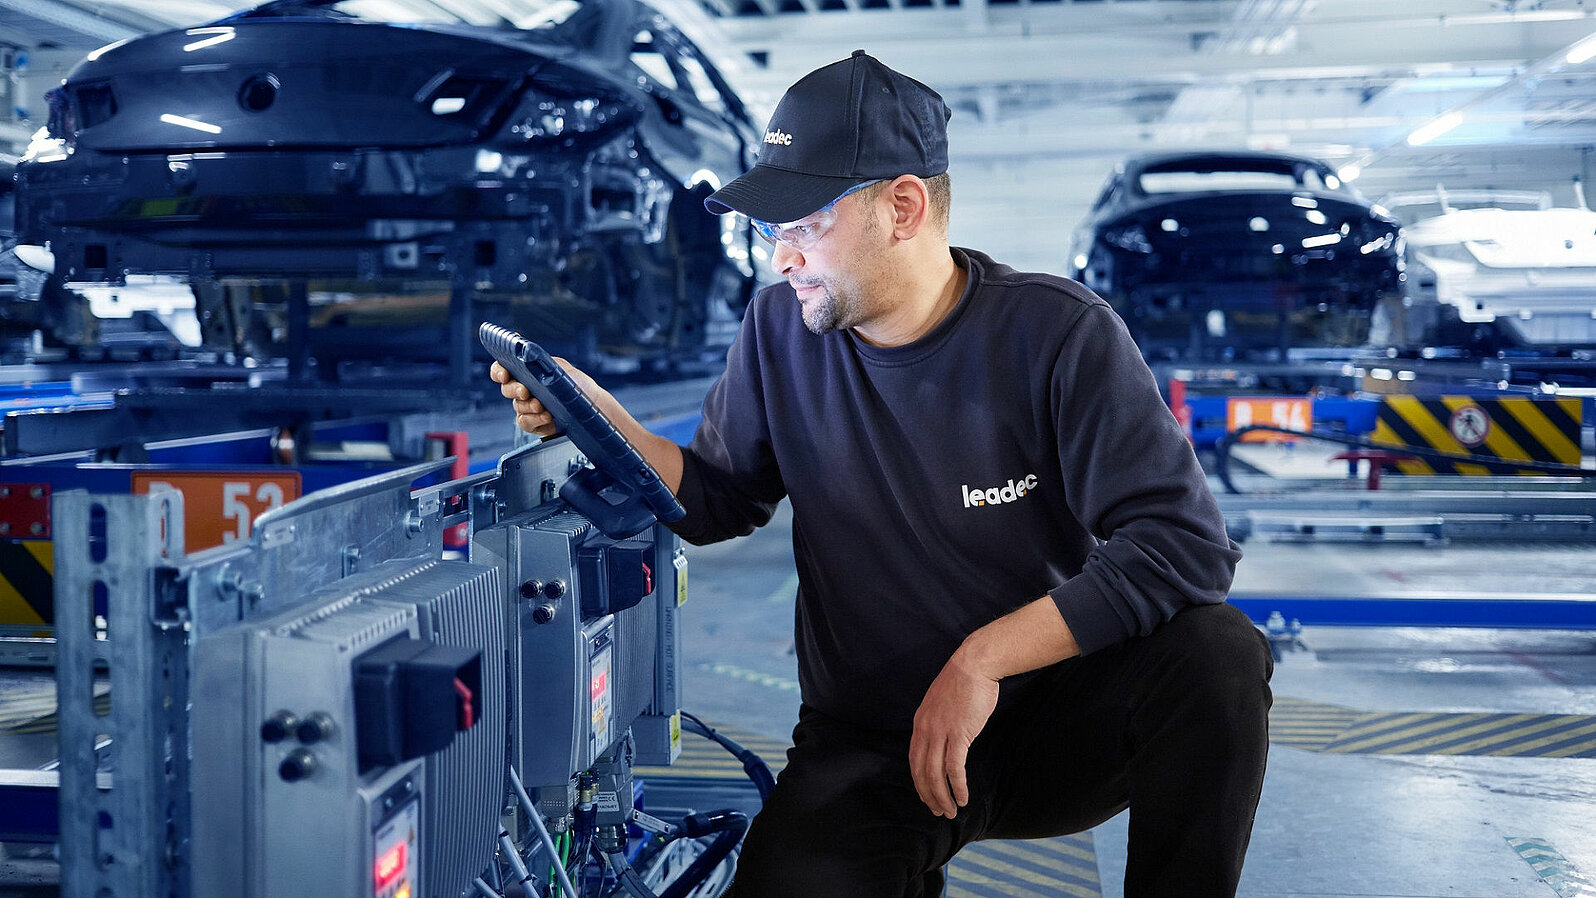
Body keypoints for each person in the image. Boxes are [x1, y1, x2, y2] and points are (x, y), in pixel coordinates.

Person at [493, 50, 1273, 898]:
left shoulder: (1058, 336)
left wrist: (983, 660)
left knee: (1217, 656)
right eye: (771, 229)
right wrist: (602, 417)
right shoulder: (778, 334)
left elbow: (1183, 547)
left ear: (902, 207)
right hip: (874, 741)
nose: (782, 257)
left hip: (1054, 719)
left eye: (803, 224)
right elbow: (716, 494)